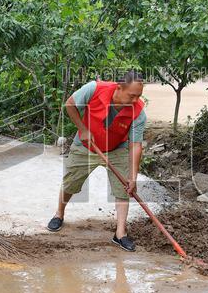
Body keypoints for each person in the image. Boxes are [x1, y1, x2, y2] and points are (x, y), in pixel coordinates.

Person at [47, 71, 147, 252]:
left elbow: (135, 145)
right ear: (119, 88)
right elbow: (70, 104)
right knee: (70, 182)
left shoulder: (138, 112)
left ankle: (120, 233)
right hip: (86, 145)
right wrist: (82, 129)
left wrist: (133, 177)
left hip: (116, 148)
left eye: (138, 96)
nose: (135, 100)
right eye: (132, 95)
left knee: (124, 188)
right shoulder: (94, 89)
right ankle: (59, 213)